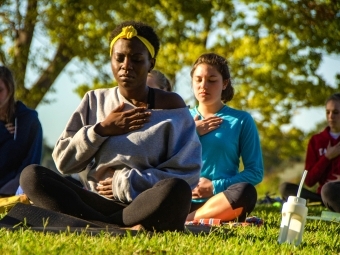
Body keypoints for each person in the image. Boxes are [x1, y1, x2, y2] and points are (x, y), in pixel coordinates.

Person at [19, 21, 201, 232]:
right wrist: (101, 130)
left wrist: (123, 183)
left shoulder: (173, 108)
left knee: (176, 190)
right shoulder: (94, 100)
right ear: (111, 60)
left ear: (151, 63)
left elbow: (187, 174)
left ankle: (96, 226)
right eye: (119, 58)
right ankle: (115, 227)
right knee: (32, 175)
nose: (126, 66)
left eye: (136, 59)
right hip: (94, 203)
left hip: (144, 204)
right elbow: (63, 163)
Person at [186, 53, 264, 222]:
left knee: (246, 192)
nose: (203, 85)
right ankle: (192, 218)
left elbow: (255, 172)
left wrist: (214, 187)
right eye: (198, 80)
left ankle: (186, 220)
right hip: (181, 198)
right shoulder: (180, 118)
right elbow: (162, 161)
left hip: (221, 201)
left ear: (225, 83)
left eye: (212, 80)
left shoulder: (241, 120)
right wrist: (191, 132)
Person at [280, 93, 340, 212]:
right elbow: (309, 181)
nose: (331, 116)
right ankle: (323, 202)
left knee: (329, 190)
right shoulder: (316, 140)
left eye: (336, 112)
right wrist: (327, 157)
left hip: (335, 191)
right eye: (328, 112)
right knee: (285, 188)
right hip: (322, 194)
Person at [0, 66, 43, 197]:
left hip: (14, 196)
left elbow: (30, 166)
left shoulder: (29, 121)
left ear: (10, 89)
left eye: (0, 90)